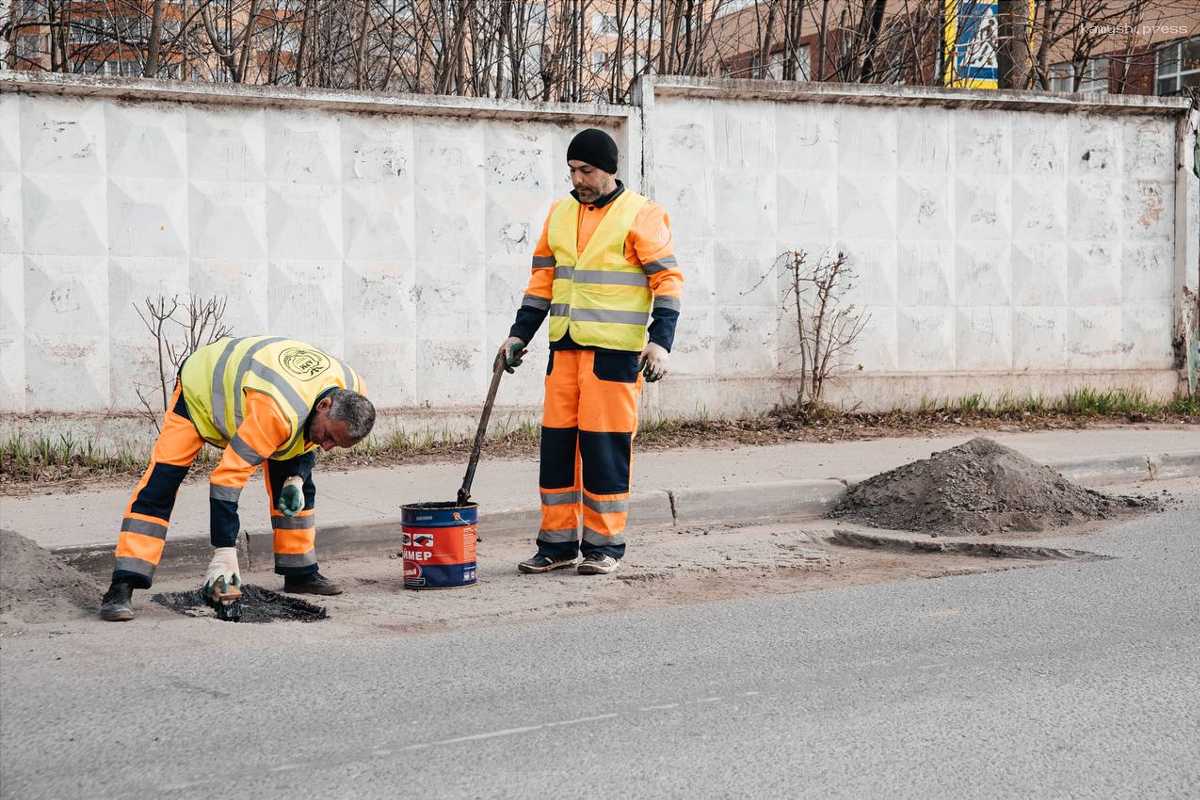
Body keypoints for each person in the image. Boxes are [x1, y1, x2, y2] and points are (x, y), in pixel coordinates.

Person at [497, 128, 683, 576]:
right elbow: (542, 282)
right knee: (557, 450)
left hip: (614, 357)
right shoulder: (560, 213)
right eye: (573, 170)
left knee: (604, 451)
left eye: (587, 170)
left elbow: (668, 282)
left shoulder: (642, 215)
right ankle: (556, 544)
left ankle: (604, 548)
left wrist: (660, 342)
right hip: (563, 350)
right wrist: (518, 334)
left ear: (609, 170)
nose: (578, 178)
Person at [99, 336, 375, 621]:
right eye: (328, 437)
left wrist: (297, 477)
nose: (326, 446)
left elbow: (307, 440)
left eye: (336, 444)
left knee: (297, 487)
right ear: (324, 406)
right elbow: (226, 480)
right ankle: (123, 584)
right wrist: (225, 552)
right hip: (201, 391)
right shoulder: (277, 412)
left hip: (269, 404)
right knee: (162, 482)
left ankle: (300, 573)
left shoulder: (353, 391)